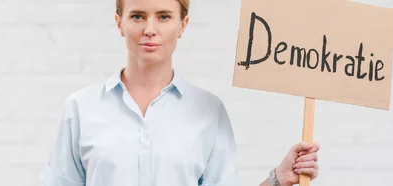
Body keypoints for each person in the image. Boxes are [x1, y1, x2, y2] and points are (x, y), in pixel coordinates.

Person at [40, 0, 320, 185]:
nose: (150, 29)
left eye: (164, 17)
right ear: (119, 23)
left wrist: (277, 179)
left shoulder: (209, 112)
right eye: (137, 16)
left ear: (182, 25)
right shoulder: (81, 108)